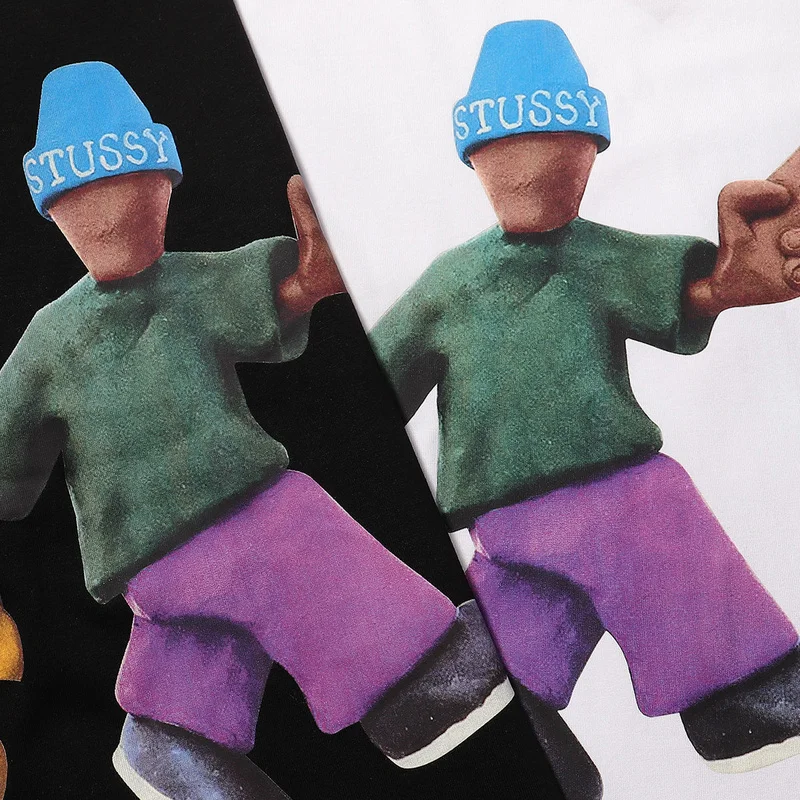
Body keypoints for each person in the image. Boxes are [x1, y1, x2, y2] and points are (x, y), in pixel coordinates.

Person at [8, 61, 512, 800]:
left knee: (200, 631)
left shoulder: (181, 287)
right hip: (237, 517)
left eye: (136, 192)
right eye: (93, 199)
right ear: (55, 209)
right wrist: (302, 282)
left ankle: (175, 739)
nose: (116, 216)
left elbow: (273, 289)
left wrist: (308, 279)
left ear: (165, 186)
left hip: (149, 570)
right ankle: (419, 675)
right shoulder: (50, 339)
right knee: (297, 535)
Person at [371, 19, 800, 786]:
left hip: (521, 529)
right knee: (654, 513)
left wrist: (734, 282)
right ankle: (743, 690)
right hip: (586, 500)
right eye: (516, 152)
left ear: (591, 153)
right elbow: (382, 377)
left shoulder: (598, 255)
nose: (539, 173)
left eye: (564, 153)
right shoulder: (448, 287)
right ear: (477, 157)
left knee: (529, 624)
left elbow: (691, 290)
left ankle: (464, 697)